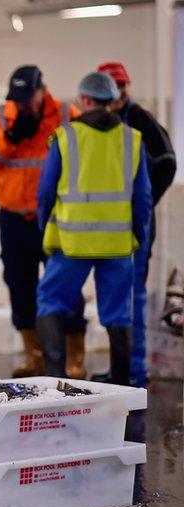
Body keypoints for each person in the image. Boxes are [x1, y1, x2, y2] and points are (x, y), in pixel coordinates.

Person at [35, 72, 152, 386]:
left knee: (51, 303)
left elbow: (45, 192)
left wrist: (43, 225)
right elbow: (143, 198)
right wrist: (138, 235)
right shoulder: (132, 139)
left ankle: (54, 384)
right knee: (118, 314)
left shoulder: (66, 137)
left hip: (72, 244)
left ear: (85, 100)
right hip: (117, 246)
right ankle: (123, 387)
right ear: (111, 100)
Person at [0, 65, 88, 379]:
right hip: (13, 220)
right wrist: (10, 136)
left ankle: (75, 355)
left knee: (66, 285)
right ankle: (34, 355)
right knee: (20, 287)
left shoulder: (67, 115)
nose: (22, 105)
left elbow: (86, 155)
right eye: (17, 99)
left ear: (42, 90)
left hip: (56, 218)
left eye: (28, 98)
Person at [97, 61, 177, 386]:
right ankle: (120, 370)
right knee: (115, 297)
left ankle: (135, 371)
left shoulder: (141, 120)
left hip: (136, 224)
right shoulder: (100, 123)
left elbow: (168, 163)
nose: (120, 91)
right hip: (107, 225)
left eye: (124, 84)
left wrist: (143, 202)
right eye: (114, 85)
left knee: (134, 295)